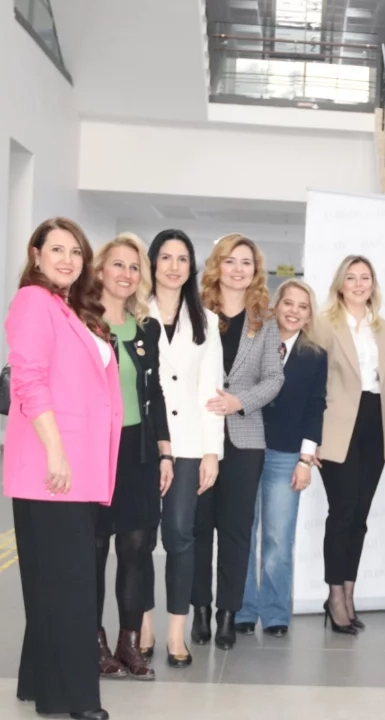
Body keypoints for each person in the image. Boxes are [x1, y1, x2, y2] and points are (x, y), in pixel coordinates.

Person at [7, 218, 120, 720]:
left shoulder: (70, 307)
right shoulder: (33, 301)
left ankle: (41, 684)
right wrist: (55, 450)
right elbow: (29, 382)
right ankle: (78, 699)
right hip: (53, 468)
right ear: (36, 254)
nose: (68, 260)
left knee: (51, 581)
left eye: (76, 251)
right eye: (56, 249)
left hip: (79, 467)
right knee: (72, 586)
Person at [194, 235, 285, 651]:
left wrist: (239, 401)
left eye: (246, 262)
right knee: (198, 528)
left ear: (255, 270)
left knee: (235, 531)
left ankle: (228, 613)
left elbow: (274, 378)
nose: (237, 269)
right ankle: (198, 608)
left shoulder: (263, 319)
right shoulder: (196, 312)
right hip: (198, 436)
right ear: (217, 265)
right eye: (230, 261)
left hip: (246, 440)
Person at [93, 234, 173, 682]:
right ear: (100, 270)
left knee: (137, 548)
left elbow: (154, 392)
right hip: (94, 450)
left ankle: (129, 641)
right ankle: (93, 641)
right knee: (94, 548)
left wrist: (165, 452)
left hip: (138, 450)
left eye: (134, 267)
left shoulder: (147, 329)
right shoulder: (81, 322)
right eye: (118, 264)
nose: (126, 274)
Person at [145, 229, 223, 668]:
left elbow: (211, 389)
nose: (174, 266)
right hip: (143, 442)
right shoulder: (135, 311)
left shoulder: (206, 319)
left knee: (179, 535)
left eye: (182, 259)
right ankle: (142, 626)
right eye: (166, 257)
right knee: (138, 538)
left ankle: (176, 632)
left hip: (190, 444)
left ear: (191, 267)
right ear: (153, 262)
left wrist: (212, 451)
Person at [236, 279, 326, 639]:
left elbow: (315, 407)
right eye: (288, 303)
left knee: (277, 538)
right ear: (276, 306)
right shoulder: (252, 342)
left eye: (302, 307)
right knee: (243, 532)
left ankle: (274, 613)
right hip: (246, 448)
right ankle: (242, 609)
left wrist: (305, 459)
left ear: (309, 315)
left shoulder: (315, 355)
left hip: (286, 454)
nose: (294, 311)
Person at [315, 255, 385, 634]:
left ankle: (349, 591)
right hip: (337, 426)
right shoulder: (323, 323)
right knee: (342, 511)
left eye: (365, 277)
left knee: (359, 516)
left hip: (375, 423)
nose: (359, 284)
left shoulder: (383, 327)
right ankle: (334, 595)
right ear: (340, 284)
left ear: (373, 284)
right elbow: (313, 380)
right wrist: (311, 438)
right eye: (352, 277)